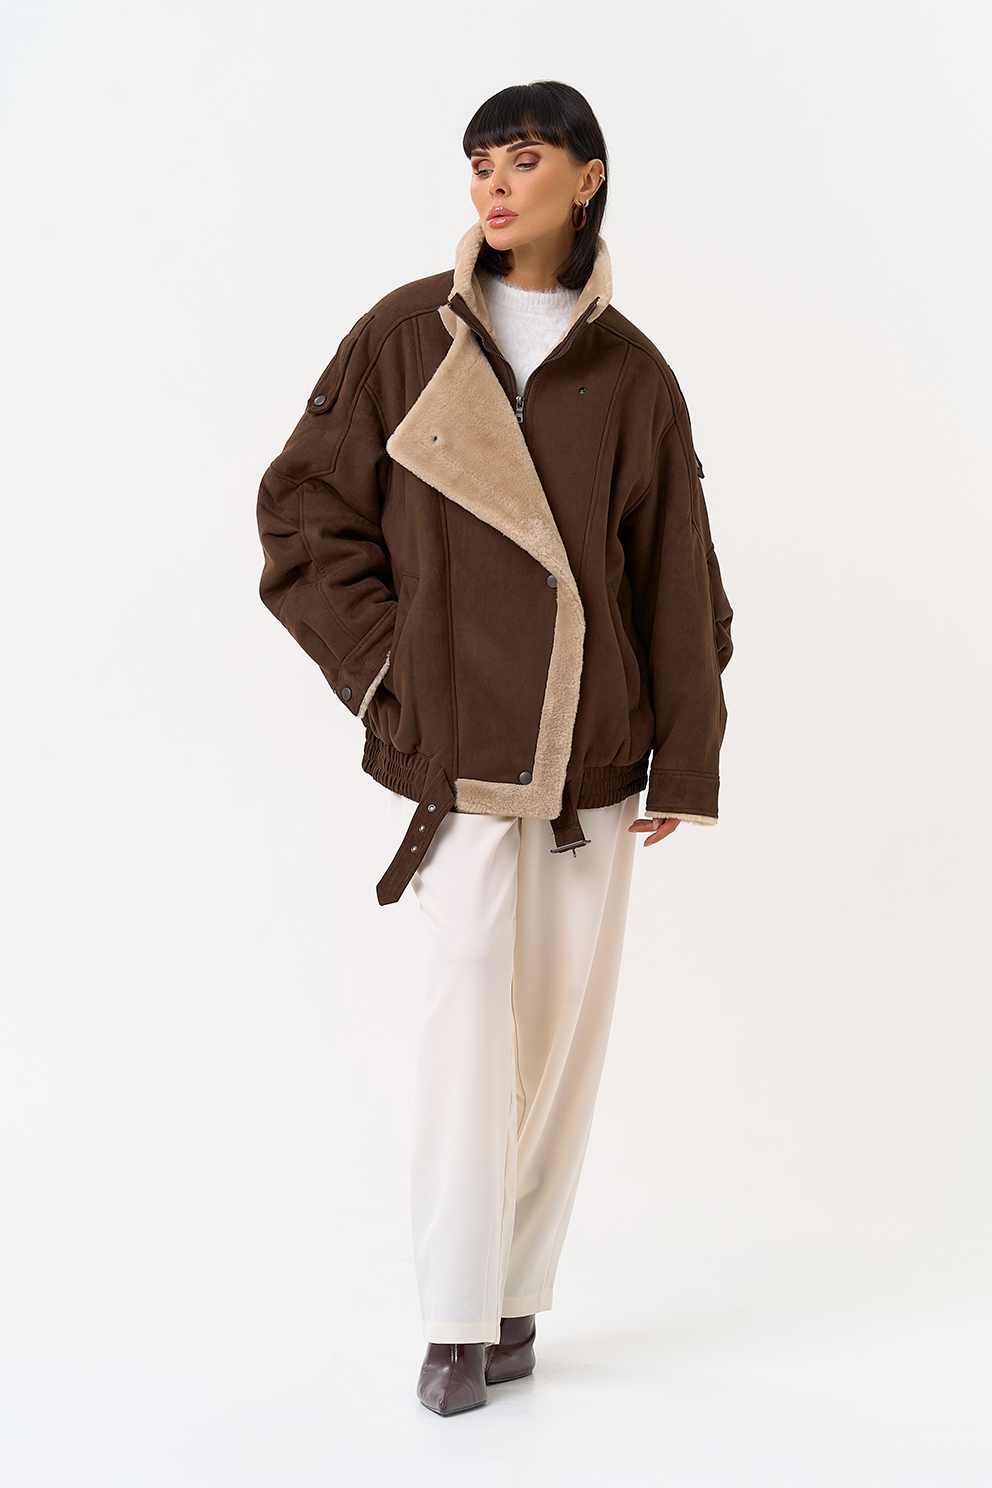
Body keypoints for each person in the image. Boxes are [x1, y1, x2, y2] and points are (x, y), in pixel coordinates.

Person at [256, 80, 733, 1416]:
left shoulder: (632, 373)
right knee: (465, 1020)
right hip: (454, 749)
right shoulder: (406, 336)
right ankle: (455, 1320)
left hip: (594, 755)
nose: (495, 187)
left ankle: (517, 1296)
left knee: (558, 1036)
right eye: (479, 164)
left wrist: (684, 759)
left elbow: (678, 576)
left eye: (522, 160)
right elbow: (303, 513)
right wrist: (391, 674)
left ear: (587, 176)